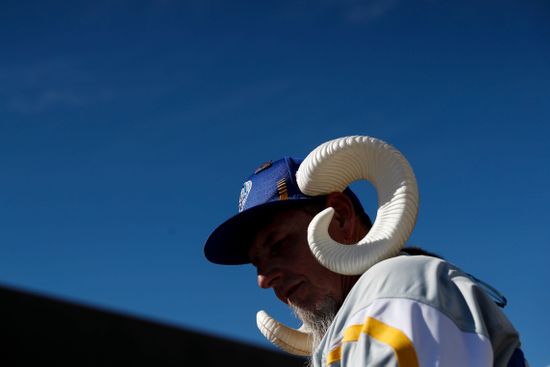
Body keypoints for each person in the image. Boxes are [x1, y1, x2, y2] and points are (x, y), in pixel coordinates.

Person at [204, 136, 527, 367]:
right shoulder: (361, 315)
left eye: (278, 245)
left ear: (341, 216)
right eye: (256, 264)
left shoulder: (395, 285)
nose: (263, 279)